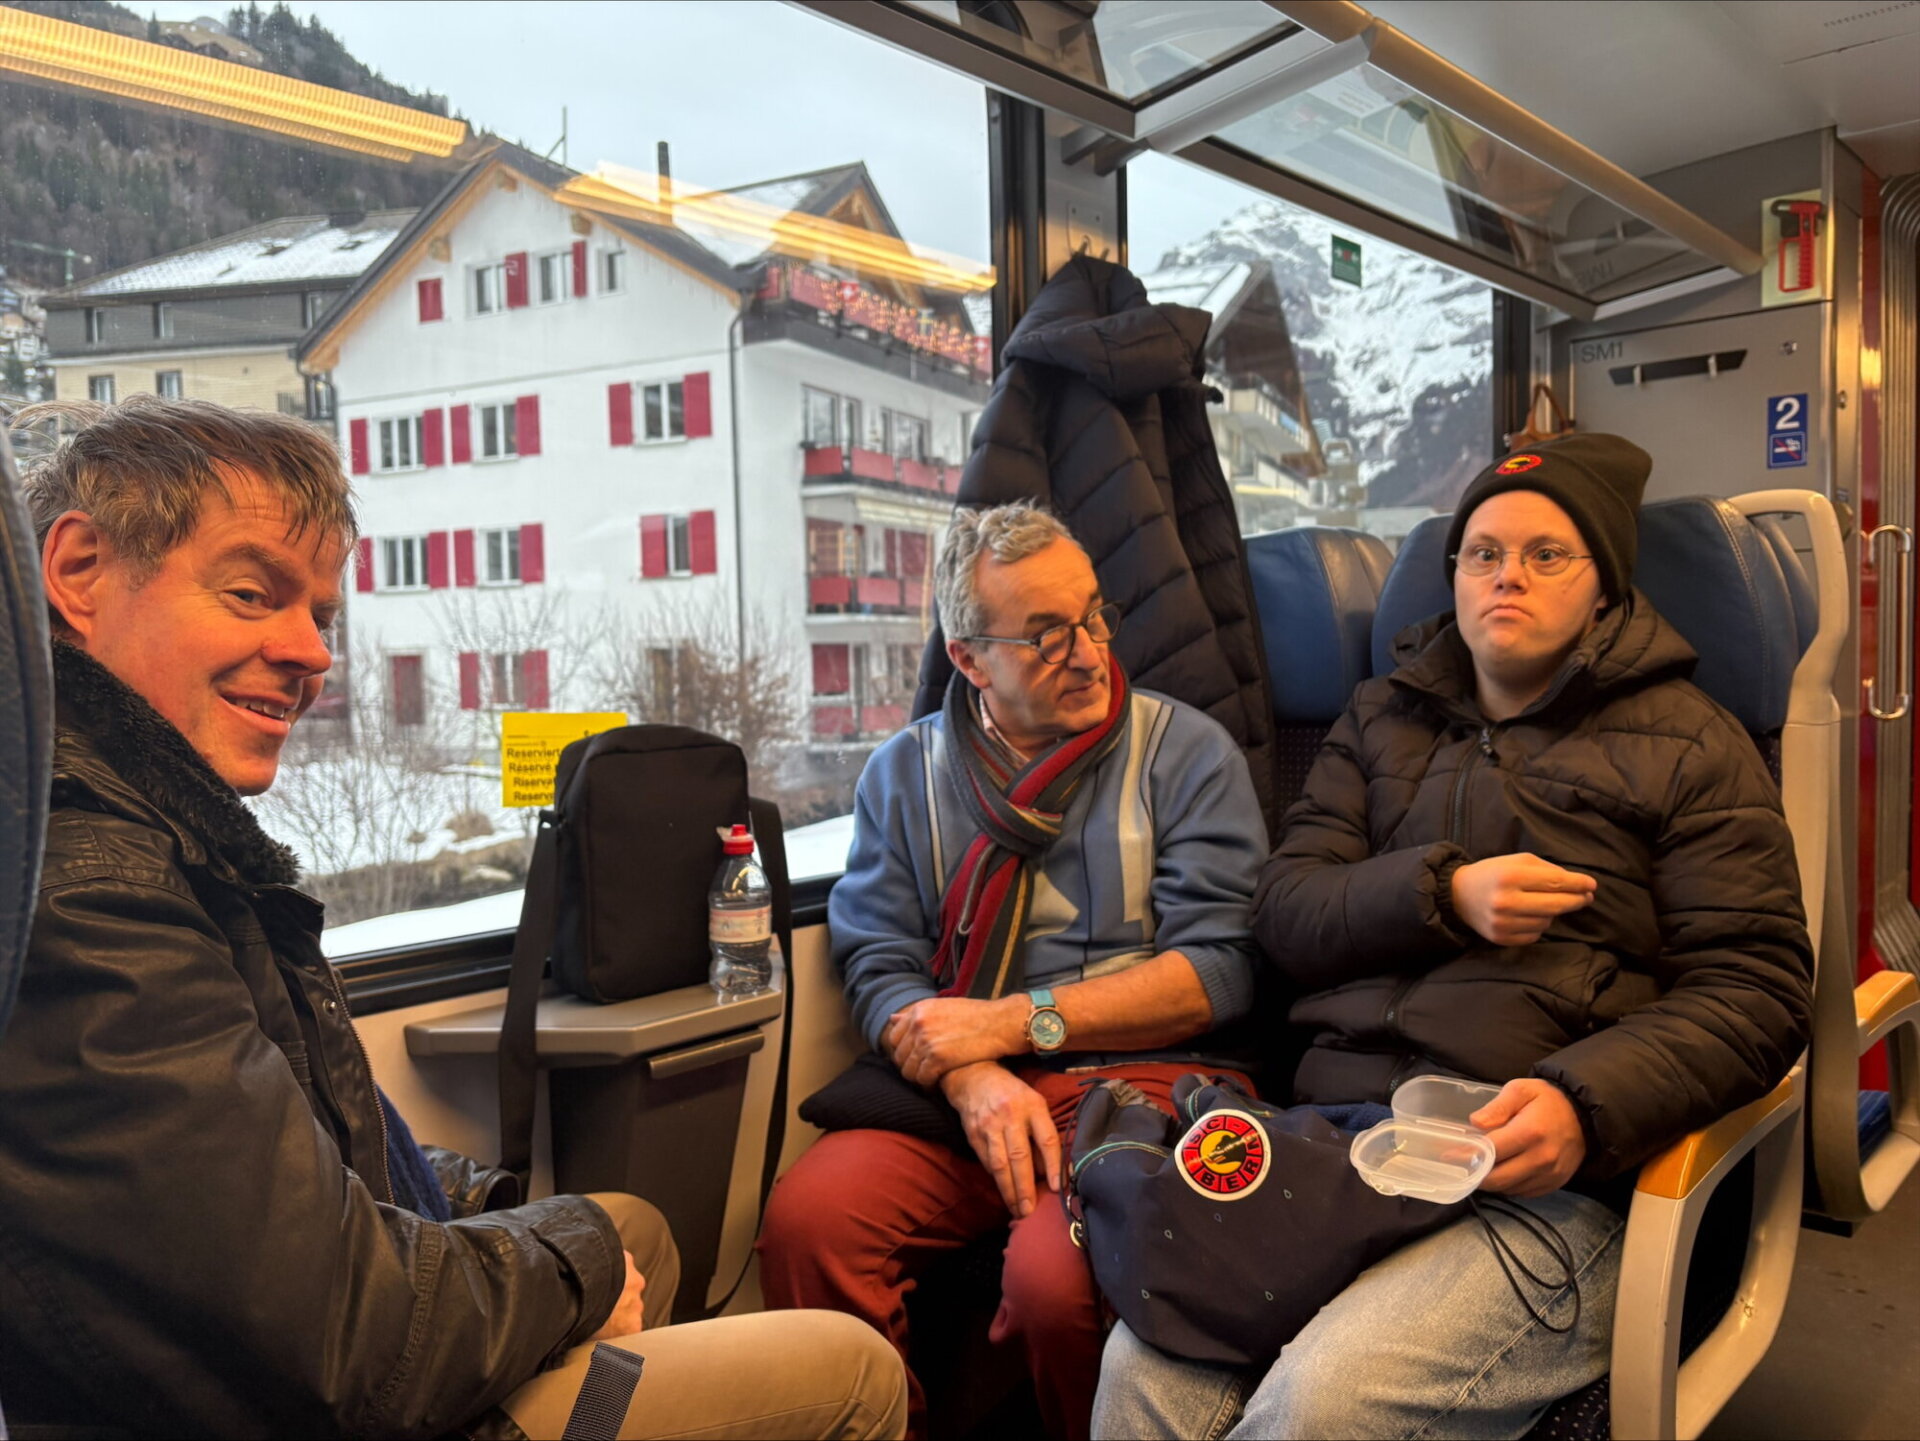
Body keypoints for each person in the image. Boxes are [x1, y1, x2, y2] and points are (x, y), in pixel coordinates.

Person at [0, 397, 905, 1441]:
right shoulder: (87, 887)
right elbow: (348, 1334)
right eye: (252, 594)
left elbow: (279, 1166)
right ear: (78, 571)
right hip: (339, 1400)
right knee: (853, 1369)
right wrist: (565, 1257)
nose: (311, 653)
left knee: (635, 1231)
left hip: (324, 1355)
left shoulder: (152, 829)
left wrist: (479, 1206)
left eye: (322, 617)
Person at [1093, 433, 1815, 1439]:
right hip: (1340, 1150)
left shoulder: (1690, 740)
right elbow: (1285, 910)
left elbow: (1757, 987)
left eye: (1546, 553)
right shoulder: (1379, 718)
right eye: (1483, 553)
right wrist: (1443, 891)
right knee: (1140, 1374)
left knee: (1320, 1407)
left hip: (1533, 1181)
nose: (1506, 575)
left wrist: (1581, 1102)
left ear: (1604, 585)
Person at [757, 502, 1268, 1440]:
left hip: (1141, 1077)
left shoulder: (1187, 754)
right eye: (1045, 635)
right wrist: (972, 1075)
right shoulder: (902, 776)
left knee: (1052, 1285)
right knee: (810, 1224)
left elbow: (1220, 971)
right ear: (968, 658)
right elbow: (878, 964)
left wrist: (1010, 1023)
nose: (1089, 652)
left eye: (1094, 616)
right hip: (967, 1088)